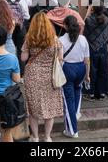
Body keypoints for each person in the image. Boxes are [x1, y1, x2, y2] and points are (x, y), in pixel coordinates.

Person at [21, 12, 64, 142]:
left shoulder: (29, 38)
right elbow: (60, 59)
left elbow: (23, 58)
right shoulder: (55, 39)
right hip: (50, 77)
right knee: (48, 108)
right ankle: (47, 136)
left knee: (33, 109)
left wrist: (25, 50)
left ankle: (34, 137)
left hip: (32, 76)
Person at [59, 16, 90, 138]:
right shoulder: (83, 39)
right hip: (81, 69)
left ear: (66, 26)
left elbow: (60, 60)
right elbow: (87, 60)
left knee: (68, 101)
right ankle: (75, 114)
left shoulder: (61, 40)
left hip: (68, 69)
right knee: (77, 91)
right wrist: (87, 76)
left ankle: (72, 130)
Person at [84, 5, 108, 100]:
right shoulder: (106, 19)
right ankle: (101, 93)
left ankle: (91, 93)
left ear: (93, 9)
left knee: (92, 70)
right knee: (102, 69)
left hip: (91, 47)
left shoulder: (88, 20)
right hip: (103, 46)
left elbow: (84, 30)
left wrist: (88, 11)